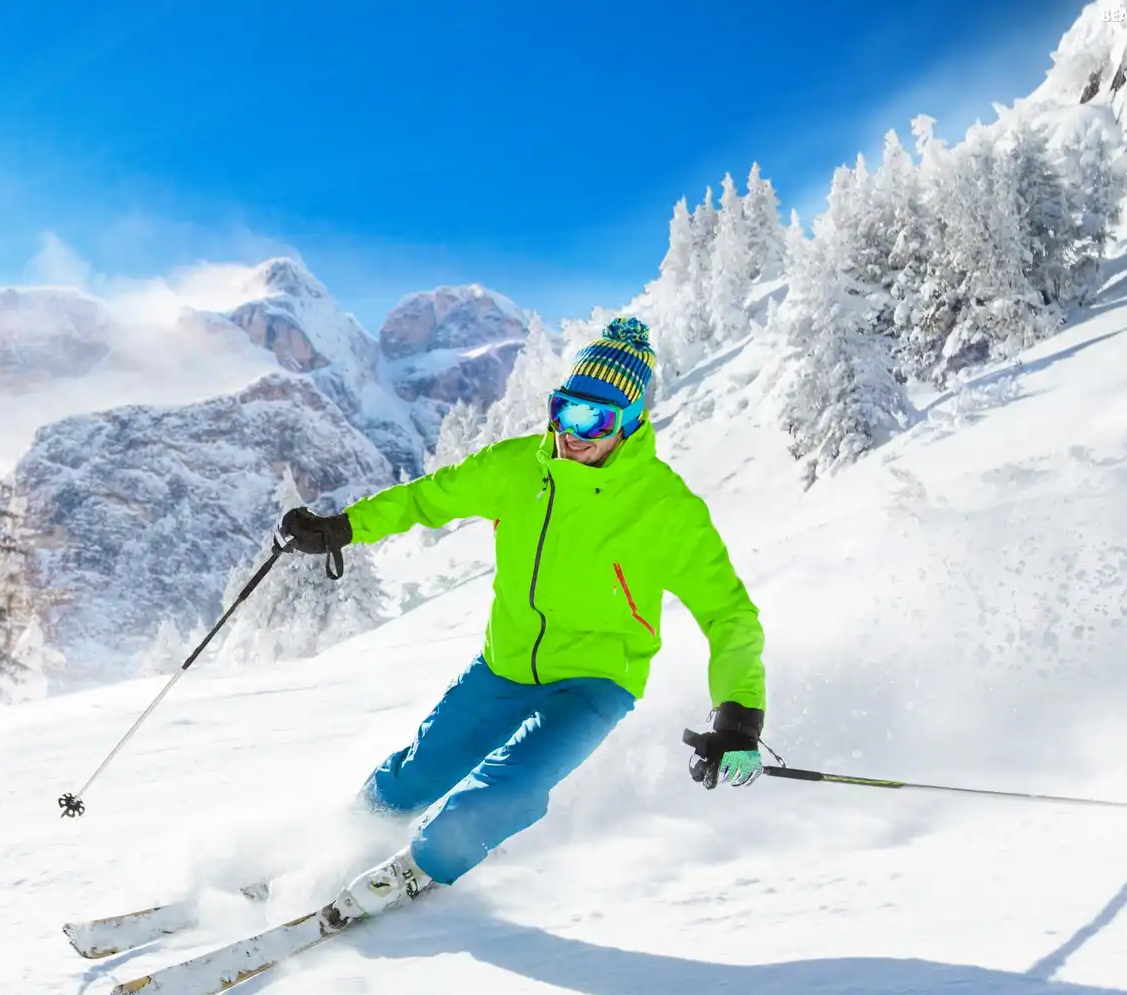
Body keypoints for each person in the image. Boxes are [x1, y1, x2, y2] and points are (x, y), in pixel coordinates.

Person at [278, 316, 767, 918]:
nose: (571, 434)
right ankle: (346, 843)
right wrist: (344, 527)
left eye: (595, 420)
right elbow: (427, 498)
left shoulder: (666, 510)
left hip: (595, 680)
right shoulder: (517, 469)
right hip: (505, 663)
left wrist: (739, 715)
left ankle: (420, 870)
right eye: (564, 411)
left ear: (631, 424)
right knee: (419, 769)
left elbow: (729, 613)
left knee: (510, 787)